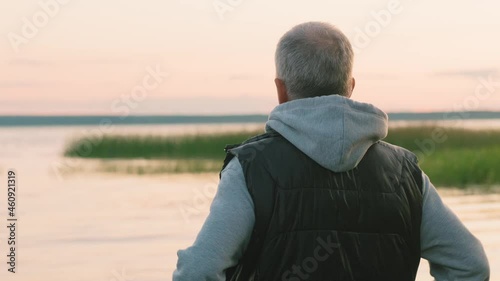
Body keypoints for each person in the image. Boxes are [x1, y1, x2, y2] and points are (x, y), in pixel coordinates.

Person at [173, 22, 490, 281]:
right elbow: (470, 265)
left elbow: (198, 271)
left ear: (280, 90)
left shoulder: (251, 167)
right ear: (350, 86)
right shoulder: (406, 174)